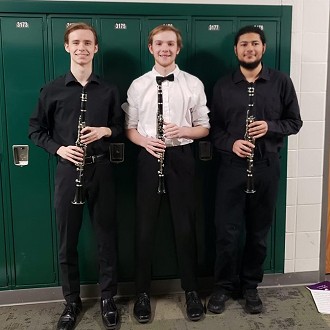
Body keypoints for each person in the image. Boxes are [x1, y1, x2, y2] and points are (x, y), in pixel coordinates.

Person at [29, 22, 123, 330]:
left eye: (88, 42)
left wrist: (106, 130)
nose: (82, 47)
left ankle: (109, 298)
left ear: (95, 48)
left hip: (101, 169)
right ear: (67, 47)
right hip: (69, 170)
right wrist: (59, 150)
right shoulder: (52, 89)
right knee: (66, 241)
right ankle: (71, 301)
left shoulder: (108, 90)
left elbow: (121, 127)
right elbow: (35, 130)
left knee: (106, 238)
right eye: (76, 42)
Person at [207, 25, 303, 315]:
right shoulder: (223, 85)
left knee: (258, 233)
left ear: (264, 48)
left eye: (255, 44)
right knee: (226, 232)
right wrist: (231, 144)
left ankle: (250, 287)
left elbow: (295, 123)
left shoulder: (281, 82)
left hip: (266, 167)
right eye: (244, 45)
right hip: (232, 167)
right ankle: (223, 286)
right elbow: (214, 130)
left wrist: (270, 126)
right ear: (235, 50)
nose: (249, 49)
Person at [122, 25, 210, 323]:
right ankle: (142, 294)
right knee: (144, 228)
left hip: (181, 157)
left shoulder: (192, 83)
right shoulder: (138, 85)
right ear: (150, 47)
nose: (165, 48)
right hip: (148, 157)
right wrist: (144, 140)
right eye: (159, 43)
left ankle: (192, 291)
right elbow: (130, 127)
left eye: (170, 44)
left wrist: (184, 130)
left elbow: (204, 126)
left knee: (185, 227)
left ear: (178, 48)